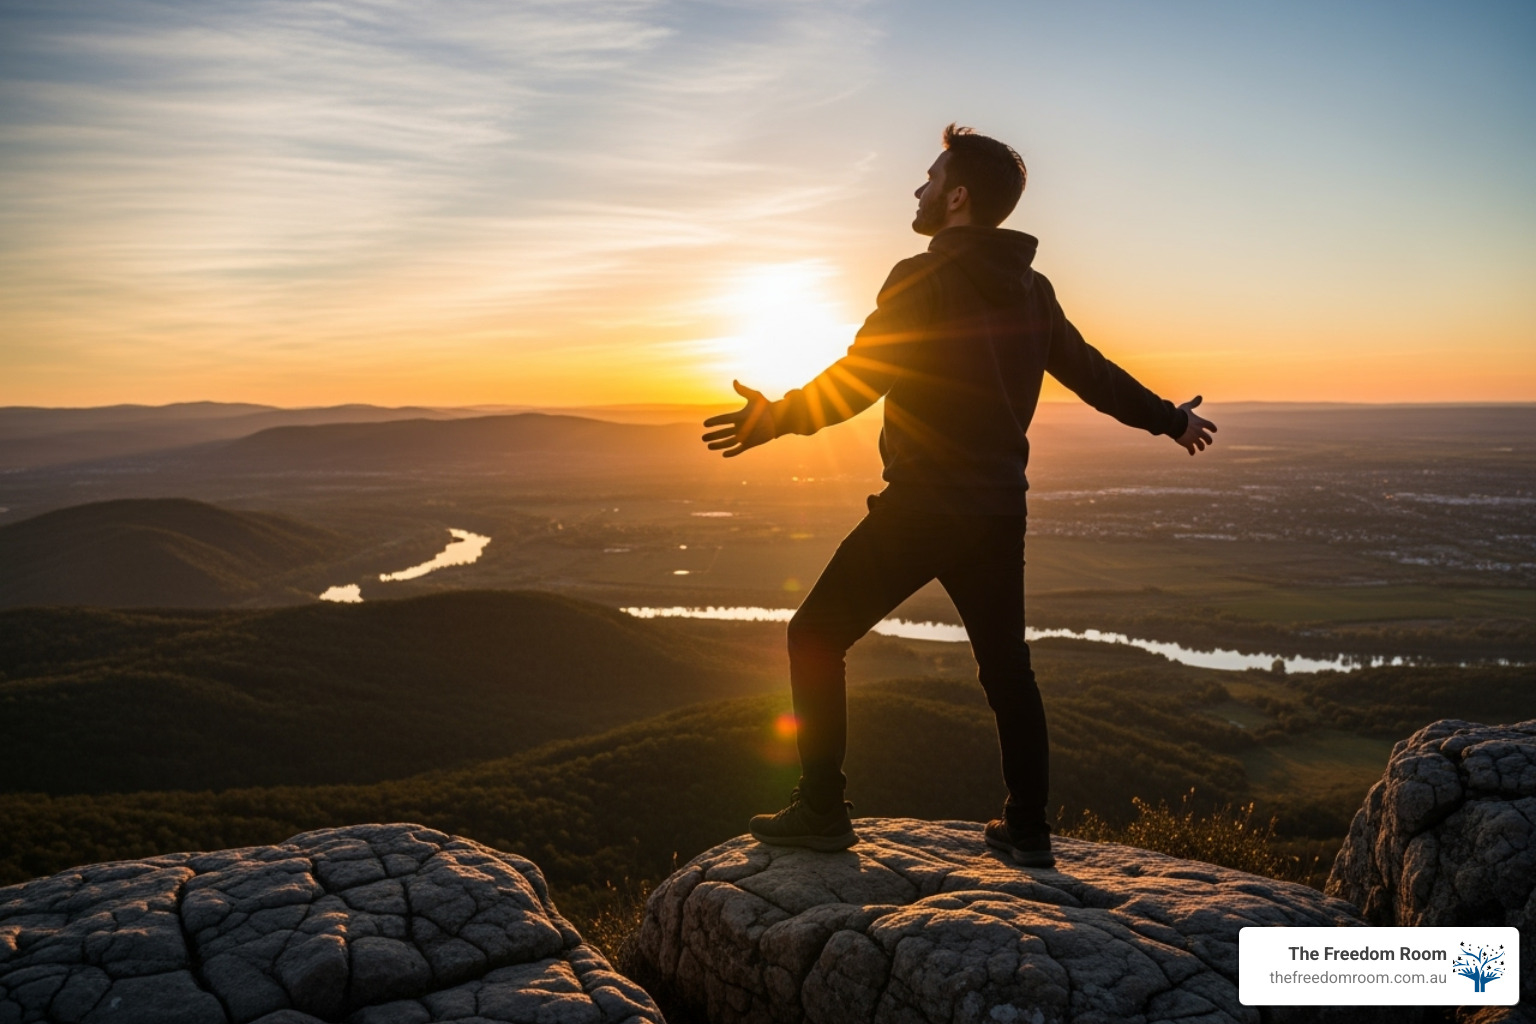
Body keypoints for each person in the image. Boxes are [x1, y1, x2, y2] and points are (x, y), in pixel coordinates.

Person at [700, 124, 1216, 868]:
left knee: (814, 636)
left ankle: (821, 809)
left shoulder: (921, 277)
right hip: (999, 511)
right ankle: (1029, 829)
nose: (918, 189)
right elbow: (1092, 373)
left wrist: (774, 419)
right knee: (1008, 669)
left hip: (922, 506)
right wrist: (1171, 419)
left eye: (931, 177)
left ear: (959, 197)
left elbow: (858, 380)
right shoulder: (1033, 289)